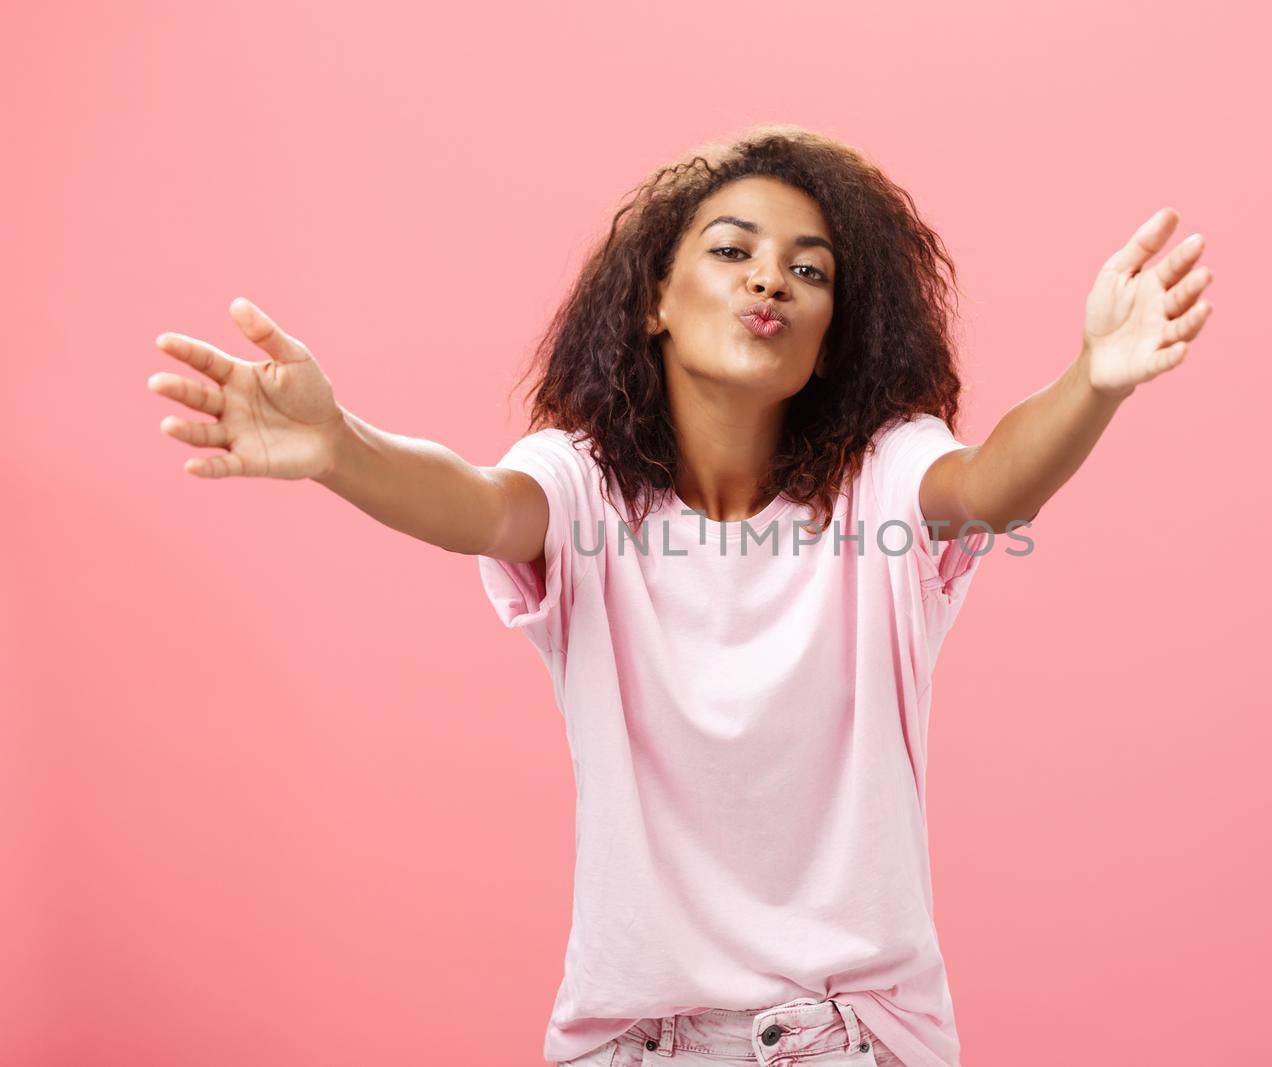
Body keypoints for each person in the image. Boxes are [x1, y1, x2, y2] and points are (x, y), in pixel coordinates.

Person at [145, 124, 1214, 1067]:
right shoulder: (580, 486)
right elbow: (476, 502)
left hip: (850, 1034)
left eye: (811, 269)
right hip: (629, 1043)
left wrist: (1093, 377)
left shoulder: (882, 483)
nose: (771, 281)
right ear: (654, 297)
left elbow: (989, 482)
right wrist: (340, 448)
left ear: (830, 332)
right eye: (733, 250)